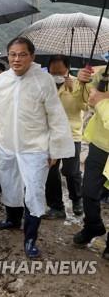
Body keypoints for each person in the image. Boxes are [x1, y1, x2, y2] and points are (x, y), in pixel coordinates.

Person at [0, 37, 74, 258]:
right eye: (13, 54)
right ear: (7, 56)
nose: (17, 59)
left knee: (34, 192)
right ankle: (12, 219)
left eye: (22, 54)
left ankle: (30, 238)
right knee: (10, 185)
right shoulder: (1, 81)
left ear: (32, 56)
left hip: (36, 148)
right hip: (8, 146)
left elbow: (56, 117)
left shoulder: (43, 81)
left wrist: (55, 150)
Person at [72, 68, 109, 259]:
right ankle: (93, 225)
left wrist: (102, 102)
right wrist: (82, 83)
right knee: (88, 191)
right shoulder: (103, 72)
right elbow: (85, 103)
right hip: (100, 145)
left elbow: (100, 103)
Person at [43, 55, 86, 219]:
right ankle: (56, 206)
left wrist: (75, 90)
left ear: (67, 69)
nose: (56, 75)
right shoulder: (45, 84)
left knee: (70, 170)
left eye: (60, 72)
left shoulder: (78, 83)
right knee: (50, 170)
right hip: (50, 133)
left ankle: (77, 199)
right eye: (53, 72)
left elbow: (86, 106)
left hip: (71, 134)